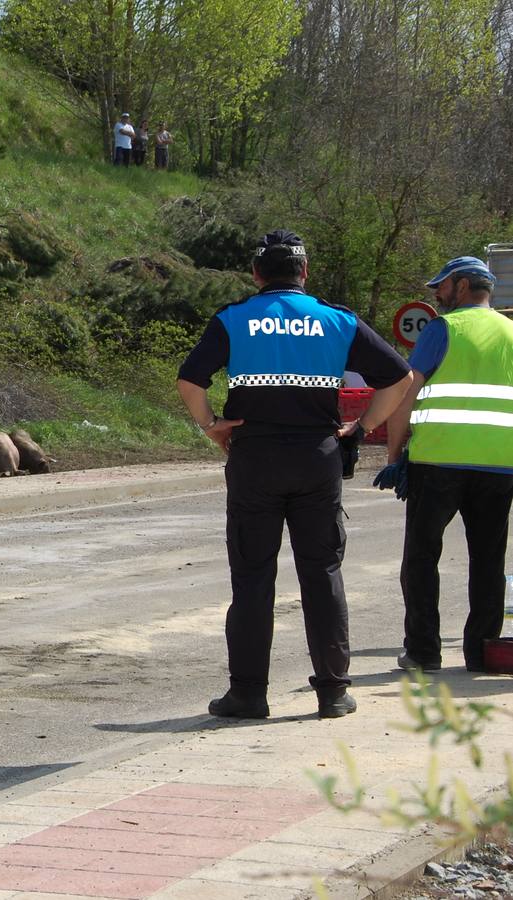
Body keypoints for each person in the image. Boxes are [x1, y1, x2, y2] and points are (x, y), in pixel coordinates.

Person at [176, 229, 412, 720]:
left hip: (254, 459)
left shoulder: (233, 318)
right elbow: (400, 376)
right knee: (322, 573)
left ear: (257, 274)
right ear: (305, 273)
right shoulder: (337, 320)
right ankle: (332, 692)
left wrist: (212, 427)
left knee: (253, 578)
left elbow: (190, 379)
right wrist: (362, 426)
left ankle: (247, 693)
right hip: (317, 458)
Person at [376, 257, 513, 674]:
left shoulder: (444, 329)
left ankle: (422, 651)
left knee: (420, 558)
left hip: (438, 464)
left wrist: (395, 455)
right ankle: (483, 653)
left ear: (465, 285)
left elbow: (406, 394)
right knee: (489, 562)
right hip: (499, 466)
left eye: (443, 285)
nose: (437, 294)